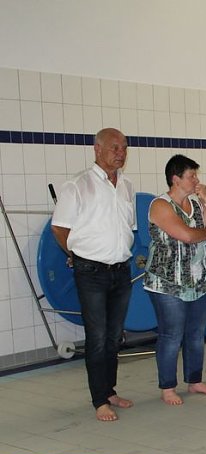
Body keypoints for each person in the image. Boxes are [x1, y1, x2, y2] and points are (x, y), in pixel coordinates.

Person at [51, 128, 136, 422]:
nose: (121, 153)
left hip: (121, 270)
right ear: (97, 149)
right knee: (97, 337)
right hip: (91, 272)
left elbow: (129, 228)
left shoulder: (127, 186)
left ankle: (109, 390)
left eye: (124, 148)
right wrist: (76, 255)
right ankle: (99, 400)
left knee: (114, 336)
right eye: (114, 147)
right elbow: (59, 228)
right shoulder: (77, 185)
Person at [144, 155, 206, 405]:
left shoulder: (197, 203)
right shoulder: (160, 205)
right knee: (171, 334)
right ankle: (168, 386)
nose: (196, 180)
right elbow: (186, 235)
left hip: (200, 280)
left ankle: (195, 380)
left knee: (196, 333)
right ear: (175, 179)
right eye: (192, 176)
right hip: (168, 282)